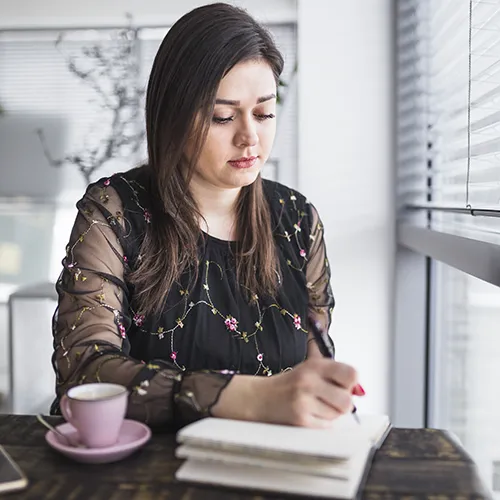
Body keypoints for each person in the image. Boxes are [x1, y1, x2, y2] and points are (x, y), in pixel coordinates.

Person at [51, 2, 363, 429]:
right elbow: (83, 372)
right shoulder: (115, 212)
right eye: (222, 116)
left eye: (264, 113)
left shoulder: (297, 221)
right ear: (173, 117)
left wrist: (325, 397)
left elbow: (314, 362)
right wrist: (249, 397)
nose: (249, 137)